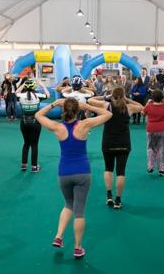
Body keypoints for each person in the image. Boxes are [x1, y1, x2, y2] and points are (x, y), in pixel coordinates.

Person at [35, 97, 112, 259]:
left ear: (64, 111)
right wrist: (88, 106)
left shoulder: (57, 127)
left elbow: (38, 115)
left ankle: (58, 236)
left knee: (68, 204)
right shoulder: (84, 125)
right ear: (78, 110)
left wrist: (55, 103)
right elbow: (108, 114)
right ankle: (77, 247)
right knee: (79, 211)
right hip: (82, 172)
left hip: (64, 172)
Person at [89, 87, 143, 209]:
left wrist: (105, 96)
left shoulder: (106, 105)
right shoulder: (129, 107)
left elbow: (91, 100)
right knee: (121, 172)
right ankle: (118, 200)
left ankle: (109, 195)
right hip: (124, 143)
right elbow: (140, 106)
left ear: (112, 96)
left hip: (108, 142)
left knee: (108, 169)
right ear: (123, 96)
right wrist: (127, 99)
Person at [16, 79, 49, 172]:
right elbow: (48, 95)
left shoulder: (21, 95)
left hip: (24, 122)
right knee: (34, 144)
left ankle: (24, 165)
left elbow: (15, 92)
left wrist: (23, 84)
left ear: (25, 87)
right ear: (34, 87)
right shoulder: (38, 96)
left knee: (26, 143)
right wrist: (42, 86)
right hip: (35, 122)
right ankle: (34, 166)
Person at [143, 89, 164, 176]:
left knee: (151, 148)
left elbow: (142, 113)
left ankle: (150, 166)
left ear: (152, 98)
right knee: (163, 149)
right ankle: (162, 169)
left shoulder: (149, 106)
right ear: (162, 97)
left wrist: (147, 103)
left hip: (151, 129)